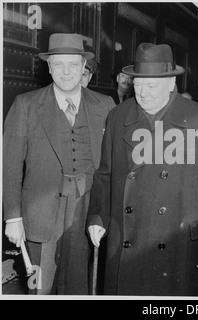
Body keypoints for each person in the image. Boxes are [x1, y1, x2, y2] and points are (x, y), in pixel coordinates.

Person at [87, 43, 198, 296]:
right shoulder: (118, 116)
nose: (143, 93)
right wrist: (97, 217)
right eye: (138, 84)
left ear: (171, 83)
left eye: (151, 86)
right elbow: (105, 174)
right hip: (127, 235)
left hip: (178, 240)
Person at [3, 33, 116, 295]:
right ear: (49, 67)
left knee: (79, 285)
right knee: (40, 288)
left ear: (83, 67)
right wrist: (13, 216)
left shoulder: (105, 105)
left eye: (73, 64)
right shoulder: (26, 105)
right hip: (40, 214)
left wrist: (105, 213)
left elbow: (111, 165)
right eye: (59, 64)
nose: (66, 72)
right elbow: (9, 165)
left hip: (88, 212)